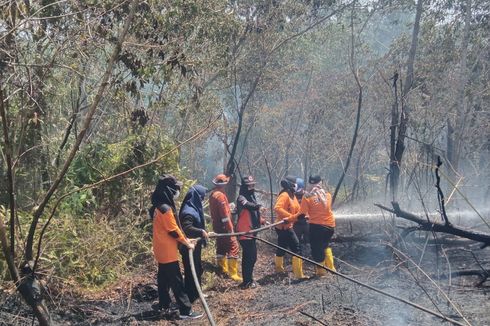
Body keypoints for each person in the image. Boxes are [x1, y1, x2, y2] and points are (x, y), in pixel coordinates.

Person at [150, 175, 202, 319]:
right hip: (167, 251)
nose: (177, 191)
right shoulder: (165, 209)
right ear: (169, 190)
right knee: (177, 281)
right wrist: (187, 243)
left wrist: (186, 239)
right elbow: (173, 230)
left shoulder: (158, 206)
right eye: (175, 188)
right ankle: (186, 311)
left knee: (163, 279)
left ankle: (164, 306)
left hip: (160, 248)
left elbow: (172, 230)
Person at [299, 175, 336, 277]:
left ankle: (321, 272)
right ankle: (331, 268)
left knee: (316, 248)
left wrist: (291, 218)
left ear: (310, 184)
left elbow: (302, 213)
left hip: (317, 227)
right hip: (330, 226)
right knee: (325, 245)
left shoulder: (307, 197)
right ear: (321, 183)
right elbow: (326, 208)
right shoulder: (327, 194)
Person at [209, 174, 242, 282]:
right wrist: (229, 228)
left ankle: (222, 270)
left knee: (221, 247)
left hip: (217, 226)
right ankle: (233, 274)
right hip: (224, 227)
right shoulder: (220, 196)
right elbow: (224, 216)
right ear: (224, 185)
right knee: (234, 247)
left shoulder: (213, 194)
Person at [178, 185, 208, 303]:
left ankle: (197, 292)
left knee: (197, 268)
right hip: (189, 246)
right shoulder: (188, 211)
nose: (203, 200)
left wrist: (203, 232)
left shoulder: (193, 208)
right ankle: (191, 295)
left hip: (195, 245)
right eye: (202, 197)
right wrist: (200, 231)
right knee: (191, 271)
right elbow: (187, 227)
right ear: (196, 197)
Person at [274, 175, 306, 279]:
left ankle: (278, 270)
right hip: (284, 227)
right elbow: (277, 208)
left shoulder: (293, 195)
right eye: (297, 184)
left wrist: (303, 215)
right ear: (291, 185)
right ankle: (299, 275)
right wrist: (291, 217)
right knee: (297, 249)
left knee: (281, 248)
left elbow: (297, 209)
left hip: (288, 226)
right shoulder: (284, 195)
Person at [236, 175, 265, 289]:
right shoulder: (241, 198)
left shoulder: (252, 196)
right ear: (245, 186)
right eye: (249, 185)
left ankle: (248, 280)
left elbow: (252, 214)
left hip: (252, 231)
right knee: (250, 257)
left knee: (251, 257)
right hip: (245, 232)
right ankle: (247, 282)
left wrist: (261, 221)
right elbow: (248, 206)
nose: (252, 187)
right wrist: (258, 207)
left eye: (253, 185)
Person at [293, 177, 310, 257]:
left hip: (307, 222)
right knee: (296, 242)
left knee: (309, 240)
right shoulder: (293, 196)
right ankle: (298, 257)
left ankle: (310, 257)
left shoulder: (308, 195)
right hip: (296, 223)